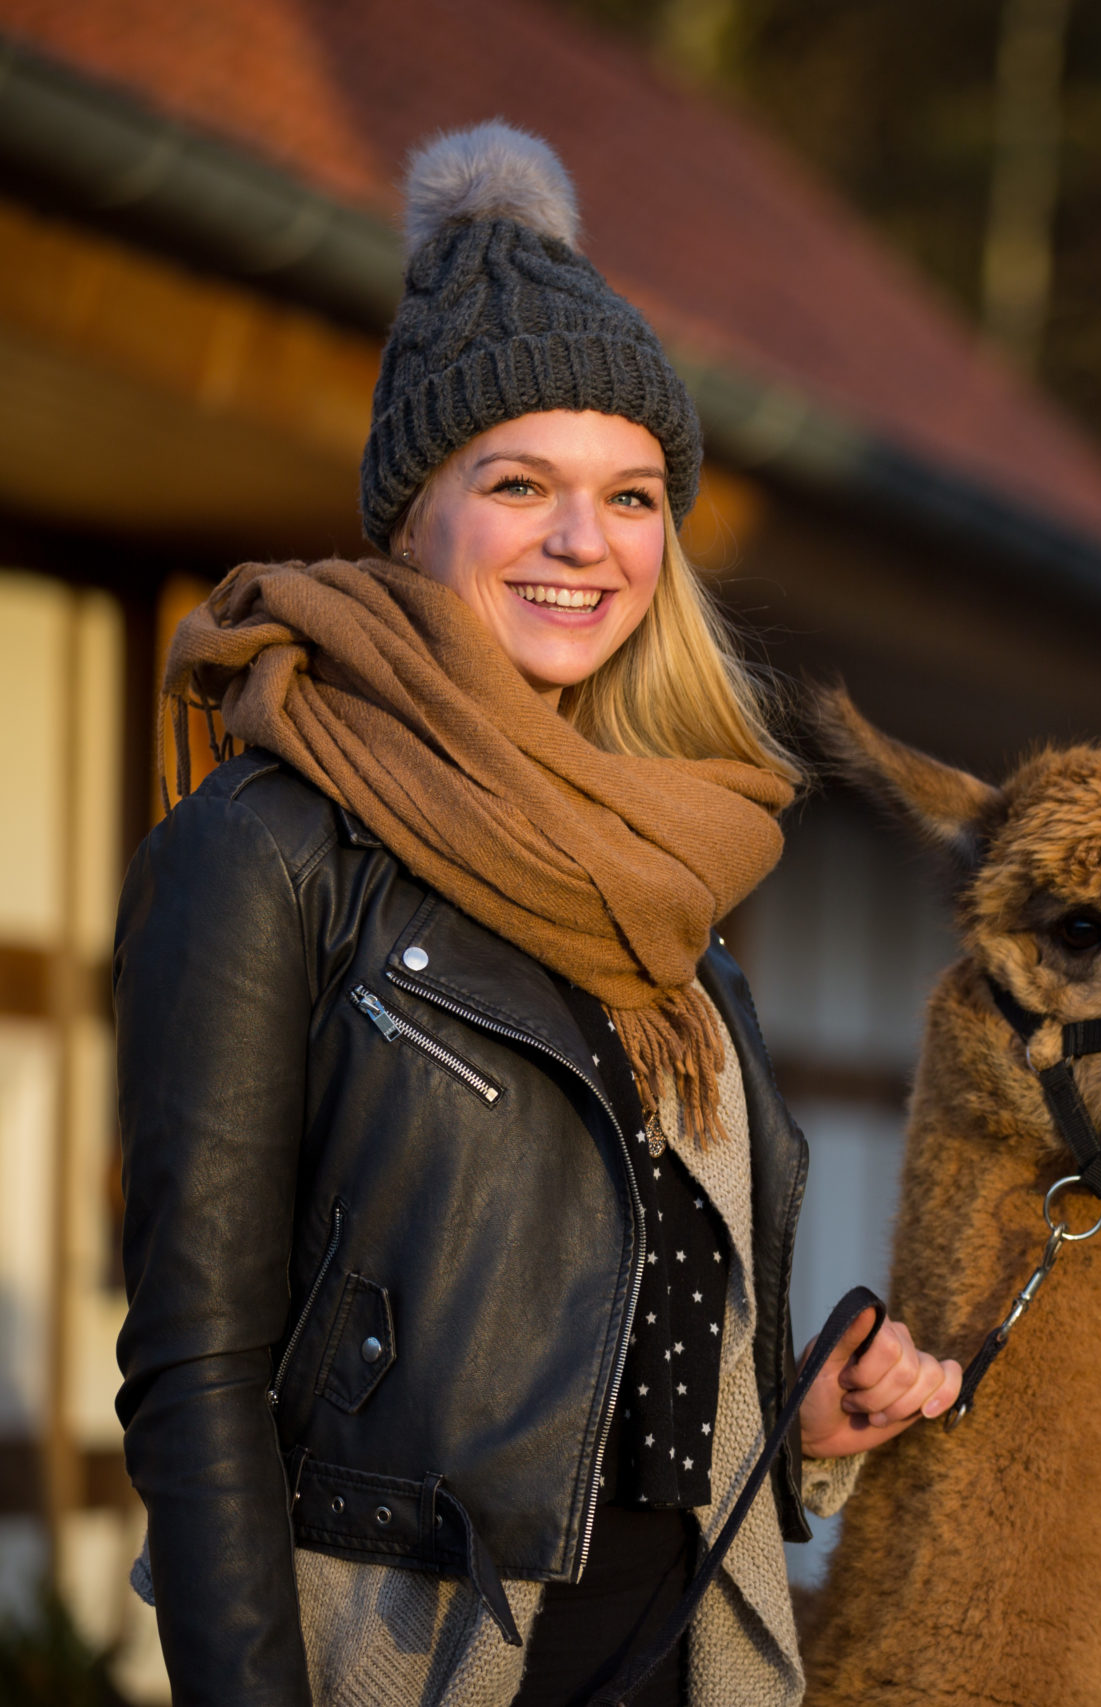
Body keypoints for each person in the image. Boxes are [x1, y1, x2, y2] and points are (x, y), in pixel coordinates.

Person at [115, 121, 959, 1706]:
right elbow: (194, 1369)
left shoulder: (671, 875)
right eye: (521, 484)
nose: (586, 544)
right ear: (411, 513)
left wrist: (793, 1422)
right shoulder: (270, 849)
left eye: (632, 496)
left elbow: (598, 1342)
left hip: (688, 1652)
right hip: (419, 1662)